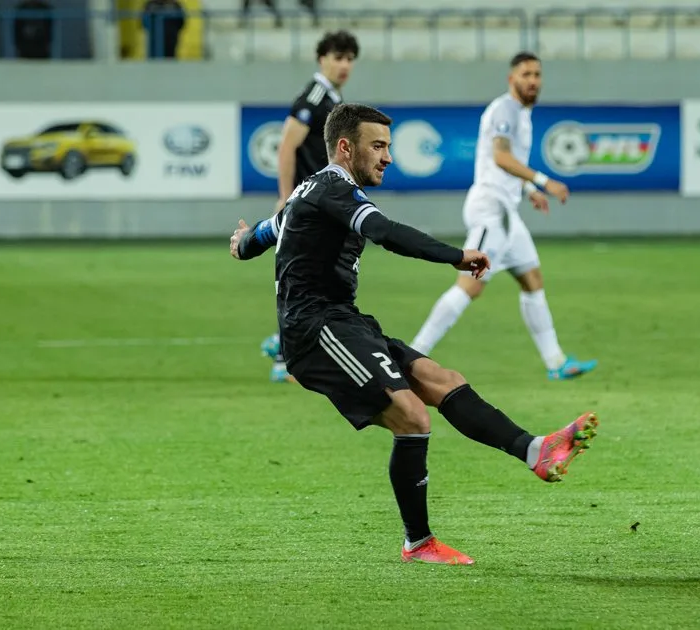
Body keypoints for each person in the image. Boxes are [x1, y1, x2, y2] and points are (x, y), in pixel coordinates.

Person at [229, 103, 600, 566]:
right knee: (412, 416)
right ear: (345, 148)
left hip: (344, 320)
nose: (387, 157)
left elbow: (264, 233)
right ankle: (418, 543)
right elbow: (384, 231)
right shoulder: (332, 189)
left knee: (442, 379)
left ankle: (535, 451)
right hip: (314, 330)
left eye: (388, 146)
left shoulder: (313, 193)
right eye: (378, 146)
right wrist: (456, 256)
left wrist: (242, 243)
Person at [409, 52, 598, 381]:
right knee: (470, 285)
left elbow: (506, 164)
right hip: (491, 210)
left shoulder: (522, 115)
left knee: (532, 280)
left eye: (537, 74)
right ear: (512, 79)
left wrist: (528, 191)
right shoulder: (505, 109)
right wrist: (543, 181)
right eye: (526, 74)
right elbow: (499, 157)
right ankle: (413, 355)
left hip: (508, 212)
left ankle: (556, 362)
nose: (533, 80)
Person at [238, 30, 359, 383]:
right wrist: (285, 195)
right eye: (338, 57)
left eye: (350, 58)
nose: (344, 65)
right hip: (307, 204)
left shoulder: (332, 97)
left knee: (312, 276)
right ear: (322, 59)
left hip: (321, 204)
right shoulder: (315, 96)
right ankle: (283, 354)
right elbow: (287, 145)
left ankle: (282, 346)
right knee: (303, 277)